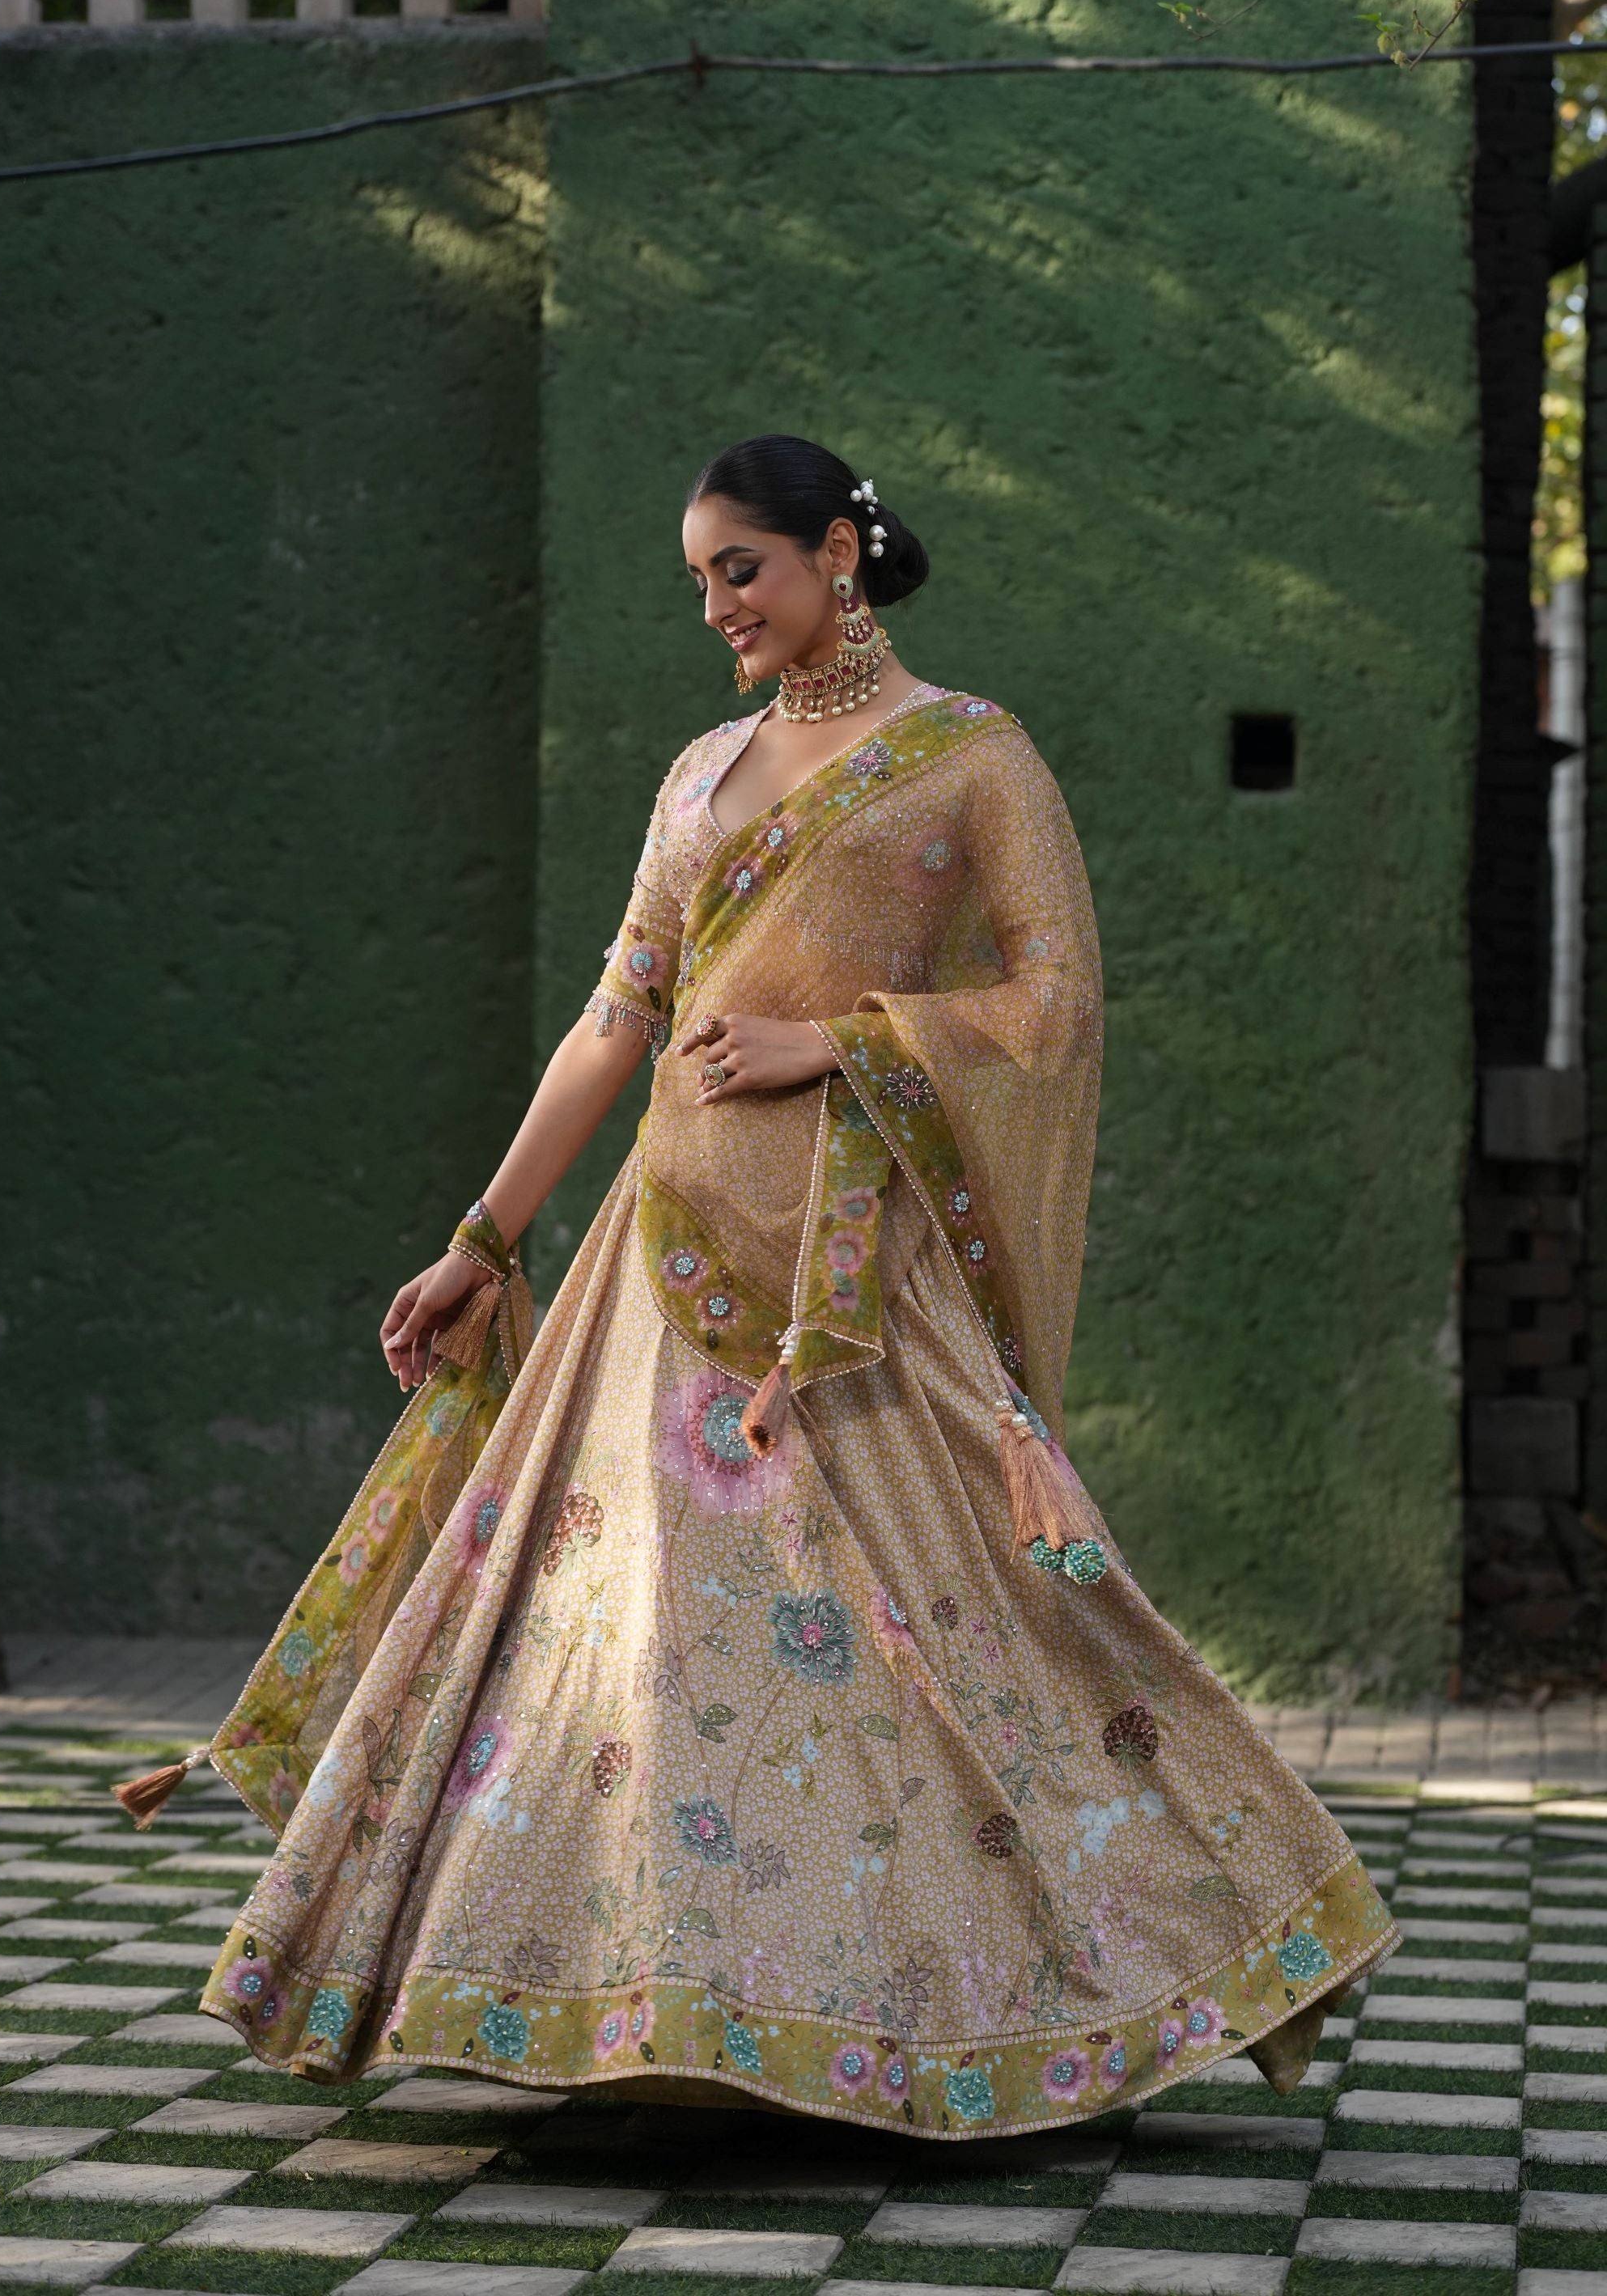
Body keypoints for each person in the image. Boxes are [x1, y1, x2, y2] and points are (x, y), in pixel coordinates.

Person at [167, 433, 1394, 2138]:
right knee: (629, 1647)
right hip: (655, 1261)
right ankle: (657, 2009)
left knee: (946, 1633)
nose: (716, 607)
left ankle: (1137, 1956)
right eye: (696, 581)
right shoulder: (695, 776)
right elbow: (620, 1016)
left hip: (853, 1276)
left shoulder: (968, 759)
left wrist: (838, 1039)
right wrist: (484, 1236)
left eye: (738, 569)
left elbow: (1055, 1006)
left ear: (837, 551)